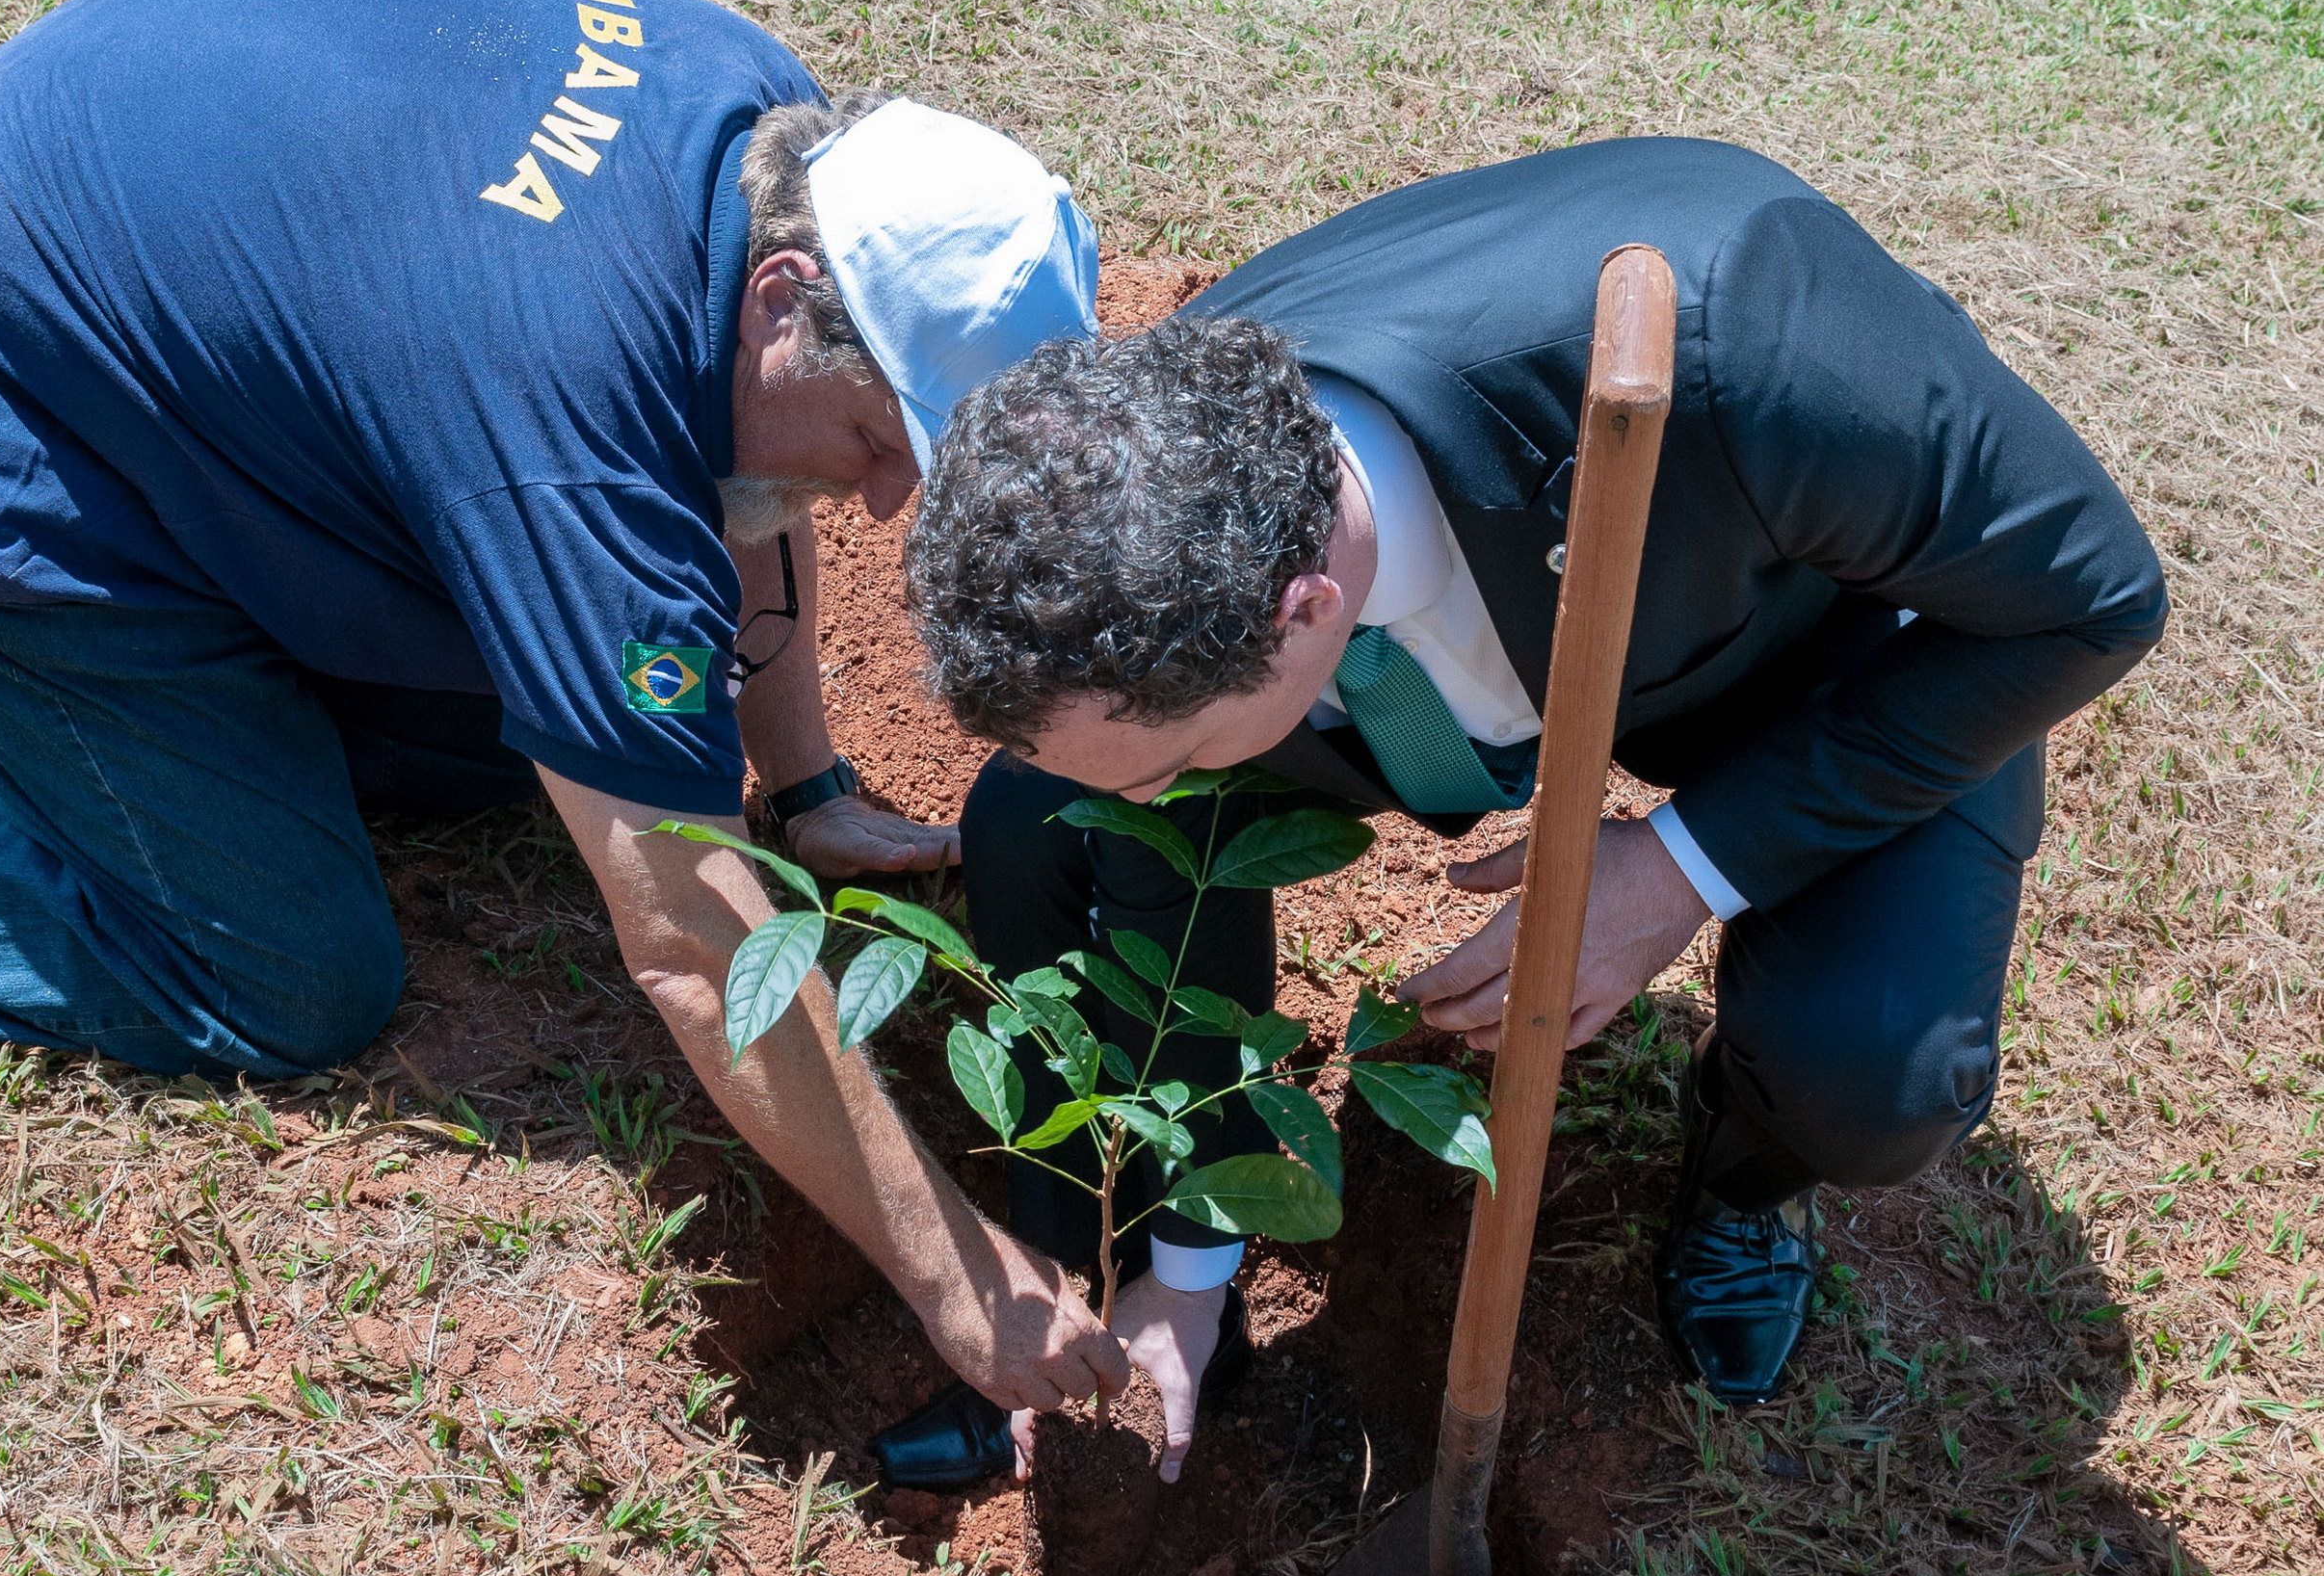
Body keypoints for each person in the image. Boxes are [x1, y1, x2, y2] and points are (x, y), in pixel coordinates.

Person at [0, 0, 1132, 1424]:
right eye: (881, 439)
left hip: (63, 303)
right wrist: (958, 1281)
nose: (886, 501)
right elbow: (693, 945)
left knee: (556, 727)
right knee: (284, 966)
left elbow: (739, 478)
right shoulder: (563, 424)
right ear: (788, 293)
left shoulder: (767, 127)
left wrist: (809, 785)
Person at [884, 136, 2167, 1484]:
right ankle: (1119, 1279)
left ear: (1303, 615)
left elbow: (2094, 597)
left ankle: (1745, 1177)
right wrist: (1194, 1263)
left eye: (1170, 755)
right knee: (1046, 818)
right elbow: (1151, 821)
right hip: (1474, 638)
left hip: (1804, 637)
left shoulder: (1762, 349)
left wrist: (1680, 866)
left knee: (1872, 1072)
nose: (1154, 790)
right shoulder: (1151, 482)